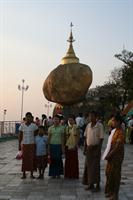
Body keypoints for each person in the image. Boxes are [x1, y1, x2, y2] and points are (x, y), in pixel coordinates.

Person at [102, 114, 125, 200]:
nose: (112, 122)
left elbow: (117, 147)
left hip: (116, 158)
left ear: (118, 122)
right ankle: (110, 191)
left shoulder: (121, 132)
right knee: (109, 174)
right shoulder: (114, 131)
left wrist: (108, 155)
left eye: (114, 121)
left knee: (116, 175)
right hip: (111, 157)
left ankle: (115, 194)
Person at [82, 111, 104, 192]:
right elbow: (85, 137)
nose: (90, 118)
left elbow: (101, 139)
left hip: (96, 148)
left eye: (92, 116)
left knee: (95, 167)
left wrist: (98, 150)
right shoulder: (88, 125)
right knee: (88, 167)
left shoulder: (99, 126)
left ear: (96, 117)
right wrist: (84, 148)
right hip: (89, 148)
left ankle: (97, 185)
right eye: (89, 116)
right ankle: (90, 184)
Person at [18, 112, 38, 179]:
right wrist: (19, 145)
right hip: (24, 144)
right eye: (27, 117)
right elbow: (20, 136)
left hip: (32, 144)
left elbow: (36, 135)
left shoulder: (34, 126)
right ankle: (24, 174)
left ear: (31, 117)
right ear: (25, 117)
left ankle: (32, 174)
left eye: (30, 117)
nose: (28, 118)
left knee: (31, 159)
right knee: (24, 160)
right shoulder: (22, 125)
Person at [65, 115, 80, 179]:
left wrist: (76, 145)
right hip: (68, 145)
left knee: (74, 161)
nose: (70, 121)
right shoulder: (67, 127)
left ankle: (74, 174)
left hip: (73, 145)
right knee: (68, 160)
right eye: (69, 120)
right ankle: (68, 174)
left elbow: (78, 137)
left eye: (71, 120)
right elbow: (66, 137)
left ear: (74, 120)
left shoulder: (76, 127)